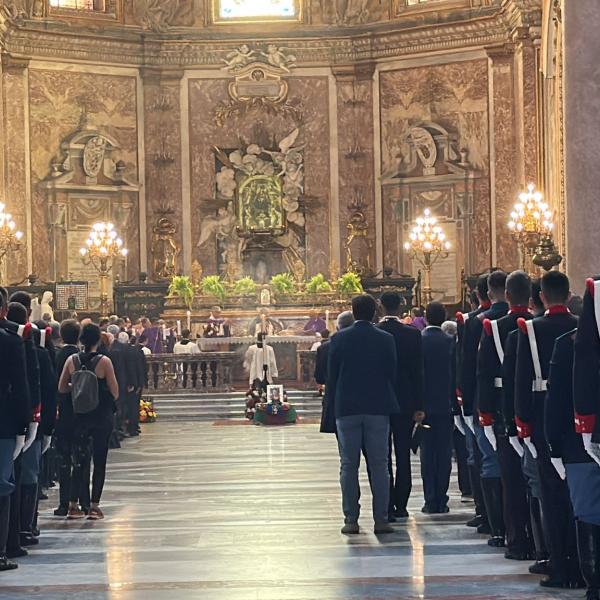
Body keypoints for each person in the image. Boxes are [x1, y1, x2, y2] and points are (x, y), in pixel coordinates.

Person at [515, 270, 580, 588]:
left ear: (541, 297)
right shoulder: (580, 326)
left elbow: (522, 379)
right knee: (579, 492)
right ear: (568, 297)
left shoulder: (530, 329)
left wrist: (522, 421)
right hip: (579, 415)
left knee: (552, 495)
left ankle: (560, 562)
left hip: (543, 417)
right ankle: (584, 560)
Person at [326, 294, 398, 535]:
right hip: (378, 407)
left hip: (347, 408)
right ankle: (381, 519)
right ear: (375, 312)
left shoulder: (338, 339)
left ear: (354, 313)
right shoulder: (386, 339)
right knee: (380, 465)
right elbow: (391, 372)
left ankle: (351, 519)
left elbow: (332, 376)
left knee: (348, 465)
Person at [478, 270, 533, 560]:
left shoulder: (494, 327)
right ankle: (541, 543)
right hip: (536, 413)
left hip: (504, 412)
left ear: (507, 295)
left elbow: (484, 375)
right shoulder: (538, 324)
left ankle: (517, 541)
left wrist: (484, 414)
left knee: (512, 481)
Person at [546, 322, 600, 600]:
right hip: (579, 443)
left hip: (578, 443)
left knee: (589, 511)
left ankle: (594, 583)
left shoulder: (568, 343)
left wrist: (554, 444)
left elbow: (555, 400)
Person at [463, 271, 509, 547]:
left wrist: (469, 406)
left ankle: (495, 524)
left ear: (488, 293)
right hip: (518, 402)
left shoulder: (479, 323)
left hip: (486, 401)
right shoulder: (526, 319)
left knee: (489, 460)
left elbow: (471, 369)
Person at [58, 323, 119, 520]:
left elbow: (62, 388)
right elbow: (115, 392)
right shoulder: (104, 361)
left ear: (81, 339)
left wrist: (78, 387)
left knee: (79, 461)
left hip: (80, 416)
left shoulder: (71, 360)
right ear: (98, 340)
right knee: (99, 461)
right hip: (101, 417)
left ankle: (73, 506)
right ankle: (94, 506)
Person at [377, 291, 424, 520]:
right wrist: (419, 404)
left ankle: (386, 505)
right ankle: (402, 504)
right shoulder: (413, 334)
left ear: (381, 306)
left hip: (382, 402)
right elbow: (418, 373)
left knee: (382, 455)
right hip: (406, 400)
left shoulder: (376, 334)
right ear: (400, 307)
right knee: (403, 454)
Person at [455, 274, 491, 534]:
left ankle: (487, 514)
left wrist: (465, 405)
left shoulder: (473, 322)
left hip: (481, 401)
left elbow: (466, 366)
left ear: (478, 294)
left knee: (480, 458)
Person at [0, 292, 29, 571]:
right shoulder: (10, 341)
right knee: (2, 486)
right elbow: (21, 388)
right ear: (4, 310)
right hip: (4, 424)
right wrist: (24, 425)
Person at [419, 302, 455, 514]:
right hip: (445, 405)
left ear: (425, 317)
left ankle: (430, 499)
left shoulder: (419, 340)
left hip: (424, 406)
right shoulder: (450, 341)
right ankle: (442, 498)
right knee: (443, 454)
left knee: (427, 454)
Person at [53, 319, 83, 517]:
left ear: (61, 336)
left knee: (63, 459)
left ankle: (63, 503)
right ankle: (78, 501)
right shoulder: (80, 357)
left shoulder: (55, 354)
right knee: (79, 458)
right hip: (80, 412)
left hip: (60, 411)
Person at [316, 311, 354, 433]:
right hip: (363, 399)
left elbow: (320, 378)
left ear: (337, 327)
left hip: (336, 399)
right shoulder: (367, 343)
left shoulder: (325, 347)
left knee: (345, 444)